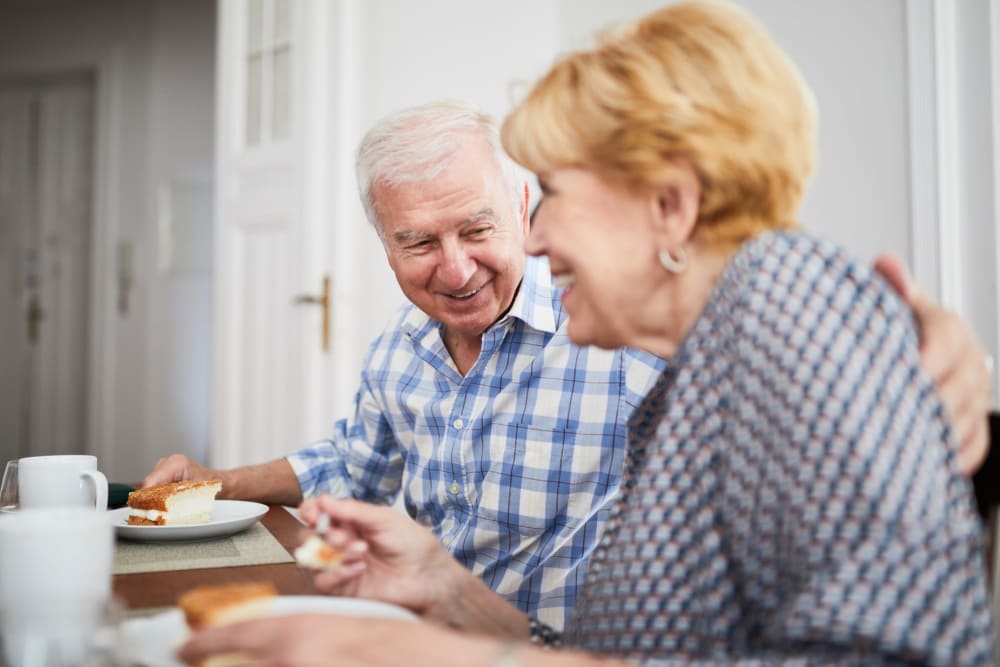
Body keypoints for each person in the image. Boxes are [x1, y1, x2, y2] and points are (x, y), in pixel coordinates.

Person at [179, 1, 993, 665]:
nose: (531, 242)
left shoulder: (779, 304)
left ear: (669, 207)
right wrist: (444, 586)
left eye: (557, 192)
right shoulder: (693, 373)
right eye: (420, 242)